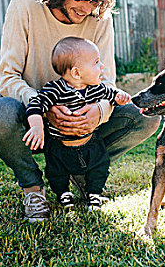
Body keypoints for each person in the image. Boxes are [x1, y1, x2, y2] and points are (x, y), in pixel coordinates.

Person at [0, 0, 160, 222]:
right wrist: (41, 108)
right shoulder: (25, 5)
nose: (87, 8)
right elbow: (6, 77)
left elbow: (107, 79)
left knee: (146, 116)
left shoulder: (99, 19)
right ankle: (33, 188)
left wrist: (98, 112)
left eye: (95, 0)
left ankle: (84, 170)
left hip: (83, 121)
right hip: (35, 120)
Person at [23, 37, 131, 211]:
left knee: (100, 166)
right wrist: (36, 126)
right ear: (76, 73)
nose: (102, 66)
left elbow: (112, 95)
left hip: (90, 142)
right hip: (60, 146)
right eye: (96, 62)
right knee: (56, 172)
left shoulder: (97, 88)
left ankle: (94, 193)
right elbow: (35, 104)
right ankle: (63, 193)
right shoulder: (55, 90)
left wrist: (120, 97)